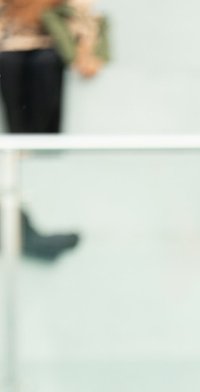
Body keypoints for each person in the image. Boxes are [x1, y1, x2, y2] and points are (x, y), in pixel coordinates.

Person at [0, 0, 103, 259]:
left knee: (42, 63)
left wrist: (85, 50)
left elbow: (83, 19)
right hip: (13, 50)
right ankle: (20, 229)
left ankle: (21, 228)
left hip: (42, 53)